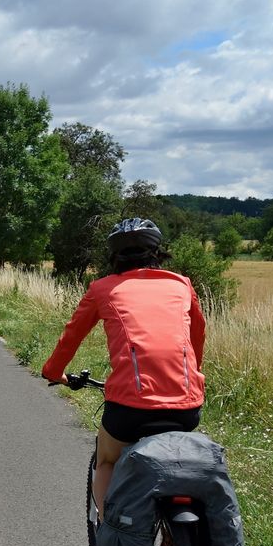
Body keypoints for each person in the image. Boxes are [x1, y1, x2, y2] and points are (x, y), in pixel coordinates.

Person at [40, 218, 205, 520]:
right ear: (158, 252)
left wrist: (54, 372)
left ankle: (110, 536)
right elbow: (197, 336)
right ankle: (175, 537)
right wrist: (191, 375)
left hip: (129, 408)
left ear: (114, 256)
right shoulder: (181, 284)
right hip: (187, 405)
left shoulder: (102, 288)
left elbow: (71, 336)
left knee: (105, 461)